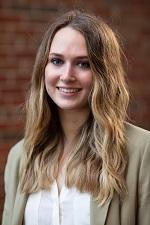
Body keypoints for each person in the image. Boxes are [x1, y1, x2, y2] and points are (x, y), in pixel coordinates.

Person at [2, 9, 150, 225]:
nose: (67, 75)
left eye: (83, 64)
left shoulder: (143, 151)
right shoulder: (20, 157)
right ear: (43, 68)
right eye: (57, 61)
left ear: (103, 74)